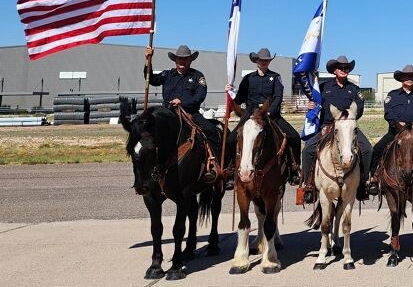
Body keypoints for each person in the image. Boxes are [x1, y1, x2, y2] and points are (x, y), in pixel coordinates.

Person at [144, 44, 226, 180]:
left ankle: (215, 165)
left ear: (190, 60)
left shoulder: (197, 76)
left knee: (211, 130)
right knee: (148, 133)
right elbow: (151, 79)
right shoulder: (167, 75)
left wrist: (182, 102)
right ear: (175, 60)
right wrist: (148, 60)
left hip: (190, 113)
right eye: (180, 59)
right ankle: (149, 166)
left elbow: (200, 95)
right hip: (168, 114)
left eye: (185, 59)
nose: (182, 61)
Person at [300, 55, 372, 205]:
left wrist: (345, 118)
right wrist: (311, 105)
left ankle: (363, 184)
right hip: (327, 127)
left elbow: (359, 110)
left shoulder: (354, 89)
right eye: (341, 68)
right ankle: (309, 185)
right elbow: (315, 103)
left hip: (347, 127)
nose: (344, 70)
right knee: (307, 150)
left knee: (367, 149)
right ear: (334, 70)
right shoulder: (323, 87)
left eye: (346, 68)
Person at [366, 65, 413, 199]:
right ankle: (374, 179)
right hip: (396, 133)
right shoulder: (392, 95)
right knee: (376, 149)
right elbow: (388, 113)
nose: (409, 78)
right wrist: (397, 124)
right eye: (406, 76)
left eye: (412, 76)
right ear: (401, 79)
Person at [226, 48, 301, 185]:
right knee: (231, 139)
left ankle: (294, 169)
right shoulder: (248, 78)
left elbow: (278, 97)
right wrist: (230, 93)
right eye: (261, 60)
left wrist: (269, 111)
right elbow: (239, 98)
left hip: (270, 115)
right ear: (256, 61)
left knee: (294, 137)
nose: (264, 62)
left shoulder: (276, 77)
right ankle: (230, 170)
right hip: (250, 116)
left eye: (266, 60)